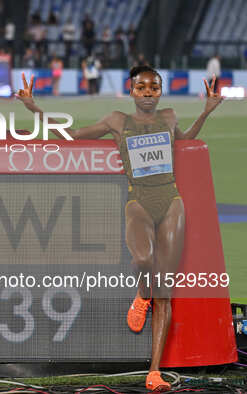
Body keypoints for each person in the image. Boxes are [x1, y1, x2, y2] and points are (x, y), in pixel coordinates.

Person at [16, 65, 223, 391]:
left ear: (160, 91)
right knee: (143, 261)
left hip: (171, 201)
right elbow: (73, 137)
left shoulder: (169, 117)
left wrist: (206, 112)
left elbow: (185, 140)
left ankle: (153, 372)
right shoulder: (117, 121)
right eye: (141, 88)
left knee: (165, 289)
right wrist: (36, 109)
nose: (148, 93)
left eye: (154, 87)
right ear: (131, 90)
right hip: (138, 202)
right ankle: (142, 295)